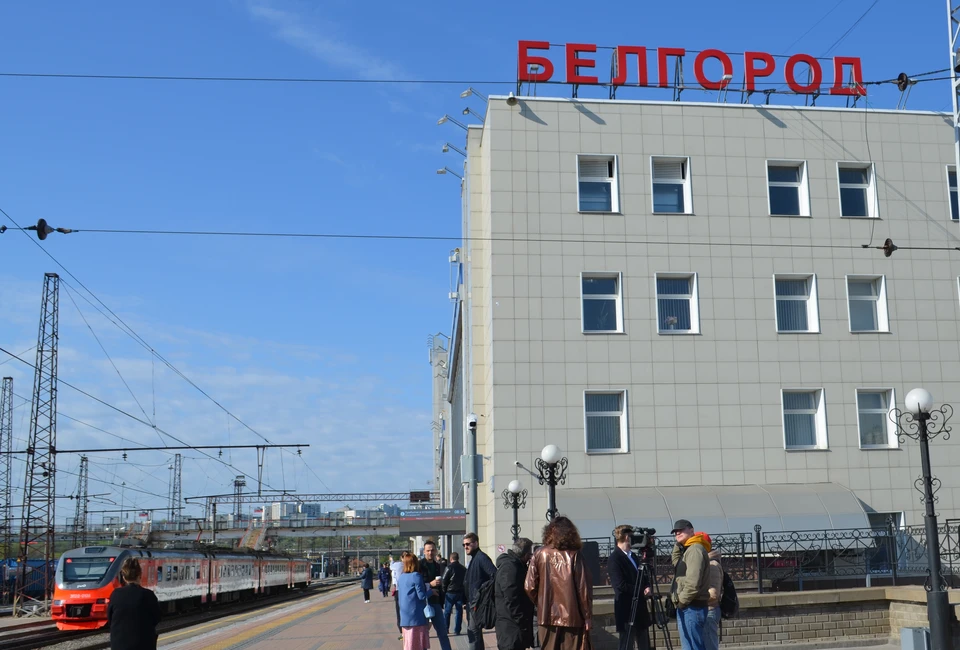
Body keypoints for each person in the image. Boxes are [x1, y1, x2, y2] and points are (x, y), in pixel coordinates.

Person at [525, 516, 592, 650]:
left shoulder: (539, 553)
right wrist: (587, 616)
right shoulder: (575, 555)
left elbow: (529, 586)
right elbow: (583, 588)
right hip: (573, 617)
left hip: (546, 617)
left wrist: (541, 602)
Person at [608, 525, 653, 650]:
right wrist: (641, 591)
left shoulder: (633, 556)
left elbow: (643, 576)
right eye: (632, 536)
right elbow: (620, 585)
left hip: (640, 609)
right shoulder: (614, 559)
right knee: (627, 644)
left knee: (644, 643)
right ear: (627, 537)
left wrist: (647, 586)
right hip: (627, 609)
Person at [670, 520, 711, 650]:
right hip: (689, 606)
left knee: (693, 647)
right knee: (689, 646)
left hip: (692, 606)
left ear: (691, 530)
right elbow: (677, 563)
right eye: (675, 531)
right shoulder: (688, 550)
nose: (677, 532)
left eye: (681, 530)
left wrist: (681, 601)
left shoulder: (694, 550)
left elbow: (693, 582)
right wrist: (678, 544)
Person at [107, 557, 161, 650]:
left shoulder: (115, 594)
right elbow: (157, 618)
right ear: (140, 575)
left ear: (123, 576)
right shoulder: (148, 595)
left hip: (119, 644)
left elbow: (110, 618)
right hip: (143, 644)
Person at [495, 537, 535, 650]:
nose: (531, 556)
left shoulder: (517, 566)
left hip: (513, 626)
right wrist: (522, 622)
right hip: (511, 628)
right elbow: (512, 599)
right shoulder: (510, 568)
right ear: (525, 554)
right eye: (530, 554)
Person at [463, 532, 497, 650]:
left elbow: (494, 575)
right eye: (464, 545)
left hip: (477, 602)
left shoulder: (481, 557)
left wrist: (483, 593)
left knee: (473, 633)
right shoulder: (474, 558)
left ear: (476, 543)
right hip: (472, 602)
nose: (465, 547)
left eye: (468, 544)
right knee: (474, 633)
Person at [420, 540, 452, 650]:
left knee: (442, 632)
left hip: (436, 602)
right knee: (423, 634)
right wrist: (430, 584)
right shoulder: (419, 566)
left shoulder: (438, 566)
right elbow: (416, 586)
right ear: (424, 551)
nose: (430, 552)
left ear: (436, 551)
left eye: (432, 550)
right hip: (423, 604)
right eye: (428, 550)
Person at [398, 552, 431, 650]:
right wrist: (431, 591)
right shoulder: (416, 576)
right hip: (416, 617)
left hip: (405, 617)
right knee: (419, 645)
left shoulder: (401, 577)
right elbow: (421, 596)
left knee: (409, 645)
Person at [703, 543, 724, 650]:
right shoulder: (706, 563)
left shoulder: (712, 565)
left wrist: (693, 597)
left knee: (709, 645)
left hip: (709, 610)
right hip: (706, 610)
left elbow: (713, 594)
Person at [442, 551, 467, 636]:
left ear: (451, 558)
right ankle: (457, 630)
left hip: (450, 592)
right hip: (460, 592)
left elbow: (444, 580)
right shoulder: (463, 569)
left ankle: (445, 629)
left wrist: (444, 590)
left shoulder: (449, 568)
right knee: (459, 612)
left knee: (447, 612)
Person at [391, 554, 406, 639]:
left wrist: (391, 559)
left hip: (400, 590)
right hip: (400, 590)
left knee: (400, 610)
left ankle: (403, 631)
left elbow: (391, 566)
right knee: (401, 611)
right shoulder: (412, 565)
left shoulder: (398, 565)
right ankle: (403, 631)